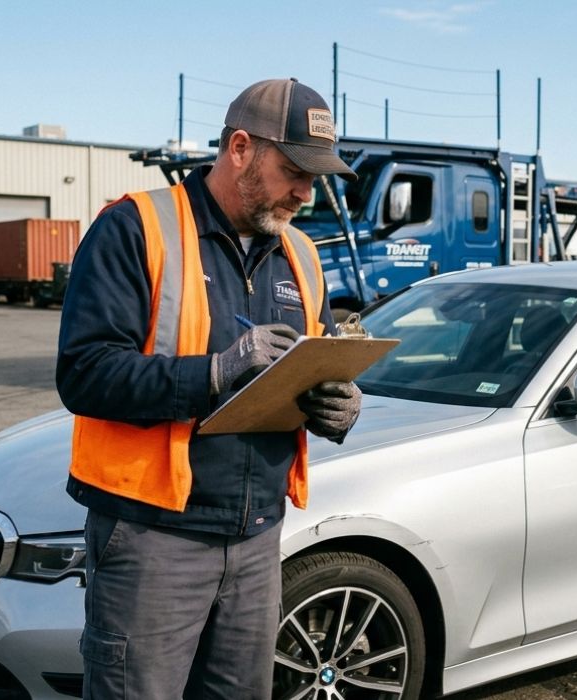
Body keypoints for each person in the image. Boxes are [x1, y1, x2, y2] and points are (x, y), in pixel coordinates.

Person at [56, 77, 362, 700]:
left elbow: (318, 358)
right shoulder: (135, 229)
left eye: (317, 176)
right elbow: (85, 373)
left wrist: (338, 404)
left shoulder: (300, 254)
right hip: (153, 540)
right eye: (294, 170)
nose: (307, 191)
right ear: (241, 148)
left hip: (255, 539)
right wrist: (216, 373)